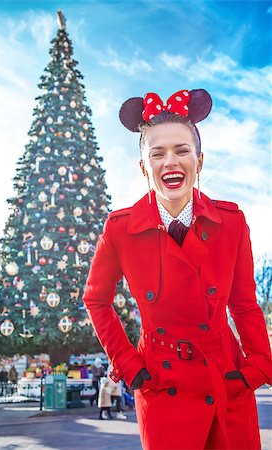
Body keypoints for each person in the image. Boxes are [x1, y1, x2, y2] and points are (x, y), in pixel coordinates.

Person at [83, 88, 272, 449]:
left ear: (199, 162)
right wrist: (129, 363)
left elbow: (244, 303)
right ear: (144, 167)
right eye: (158, 153)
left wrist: (258, 364)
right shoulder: (119, 230)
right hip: (160, 383)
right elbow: (96, 300)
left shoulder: (232, 222)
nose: (170, 161)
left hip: (226, 379)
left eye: (182, 150)